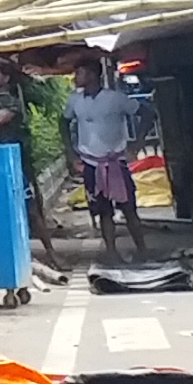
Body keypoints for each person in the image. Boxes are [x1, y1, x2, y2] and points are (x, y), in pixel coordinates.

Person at [66, 57, 150, 255]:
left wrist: (137, 144)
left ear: (93, 75)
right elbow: (64, 122)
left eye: (79, 72)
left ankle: (143, 250)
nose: (75, 77)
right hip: (91, 162)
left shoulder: (115, 98)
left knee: (129, 208)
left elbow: (147, 113)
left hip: (116, 161)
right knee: (104, 211)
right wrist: (70, 151)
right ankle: (112, 253)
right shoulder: (74, 100)